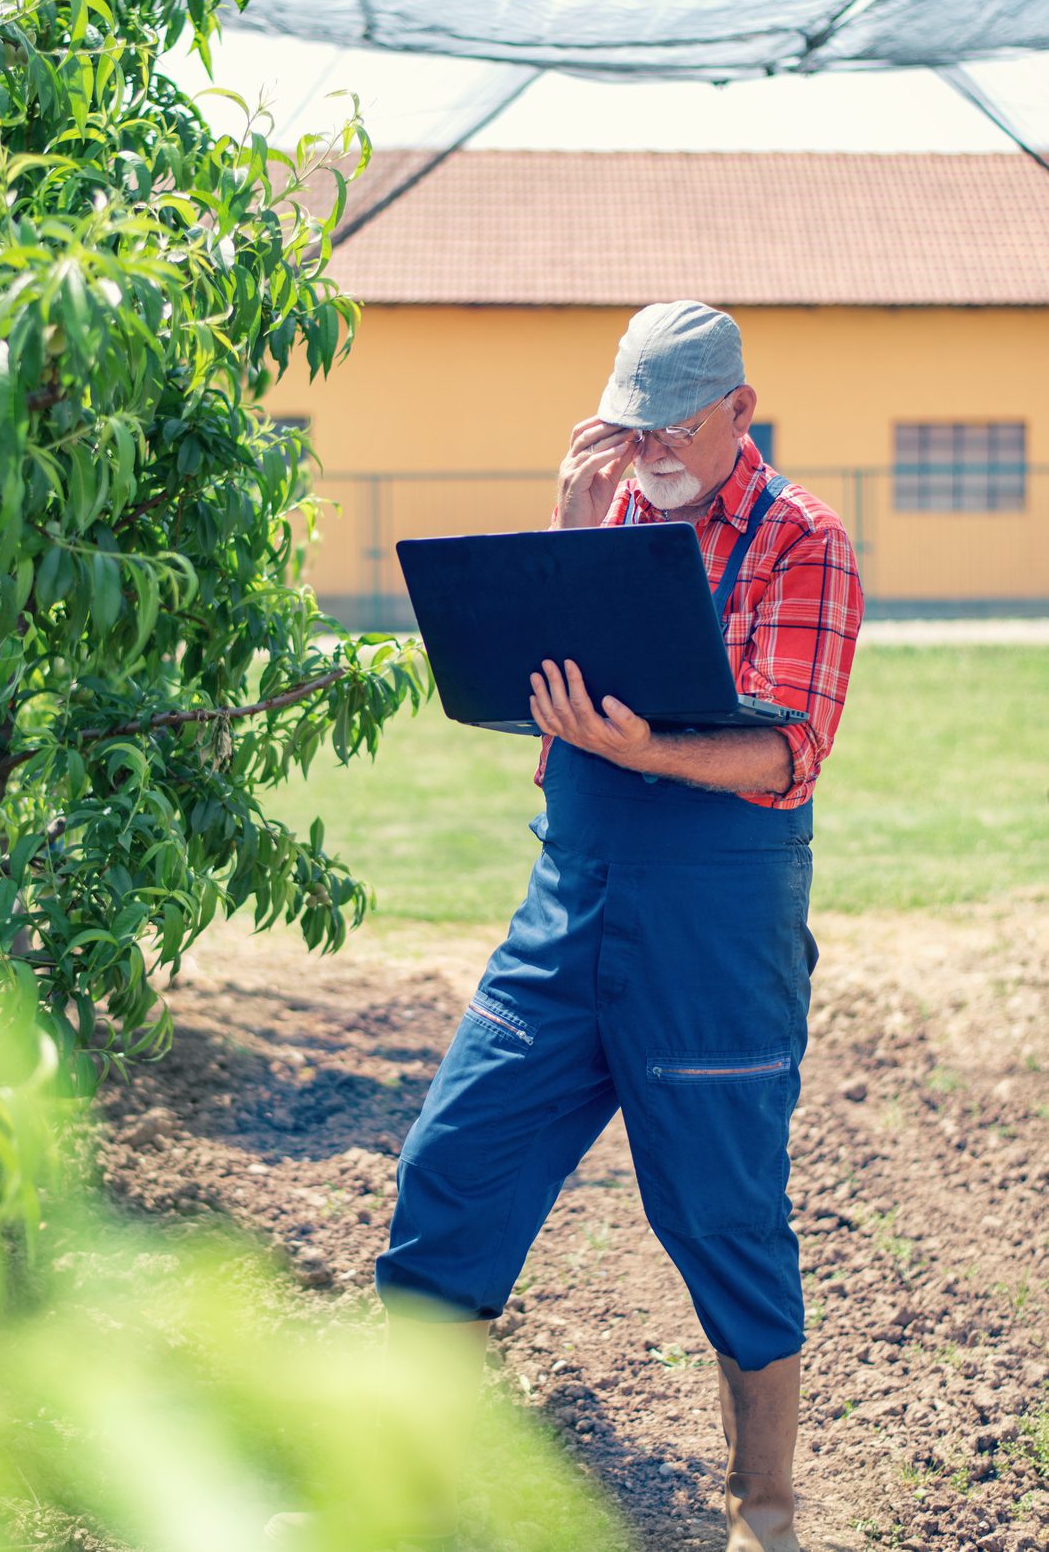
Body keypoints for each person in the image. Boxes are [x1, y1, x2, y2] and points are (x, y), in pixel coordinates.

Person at [368, 300, 864, 1552]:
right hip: (568, 905)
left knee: (721, 1209)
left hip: (713, 926)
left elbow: (788, 747)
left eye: (670, 424)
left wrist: (655, 749)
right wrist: (563, 544)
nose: (643, 445)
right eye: (625, 420)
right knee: (453, 1165)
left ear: (737, 413)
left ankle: (763, 1508)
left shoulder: (803, 540)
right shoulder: (615, 516)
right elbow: (525, 686)